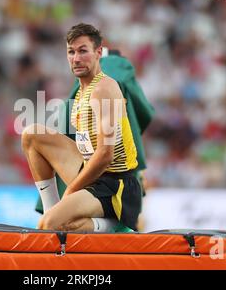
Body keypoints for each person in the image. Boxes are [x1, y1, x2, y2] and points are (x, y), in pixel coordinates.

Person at [22, 23, 152, 232]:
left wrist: (71, 191)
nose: (76, 58)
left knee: (51, 224)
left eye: (83, 51)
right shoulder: (83, 90)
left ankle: (115, 227)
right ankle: (51, 210)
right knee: (32, 135)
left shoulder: (104, 88)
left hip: (115, 185)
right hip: (93, 172)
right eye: (71, 52)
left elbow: (105, 155)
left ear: (98, 52)